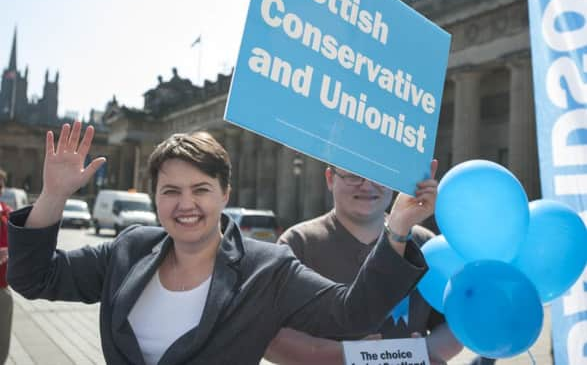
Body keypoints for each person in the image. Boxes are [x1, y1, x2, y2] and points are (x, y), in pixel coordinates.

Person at [7, 121, 437, 365]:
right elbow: (34, 278)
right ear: (154, 196)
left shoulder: (267, 269)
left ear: (225, 193)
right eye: (170, 191)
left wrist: (396, 228)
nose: (186, 205)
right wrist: (54, 195)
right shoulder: (129, 249)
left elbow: (352, 313)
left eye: (201, 189)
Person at [265, 165, 463, 365]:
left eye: (380, 175)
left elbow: (454, 325)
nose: (367, 186)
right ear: (330, 178)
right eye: (353, 175)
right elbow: (269, 335)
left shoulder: (425, 244)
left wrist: (419, 353)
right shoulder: (298, 244)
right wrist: (346, 355)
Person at [0, 168, 13, 364]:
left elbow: (18, 244)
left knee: (2, 342)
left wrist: (10, 251)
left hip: (3, 287)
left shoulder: (7, 212)